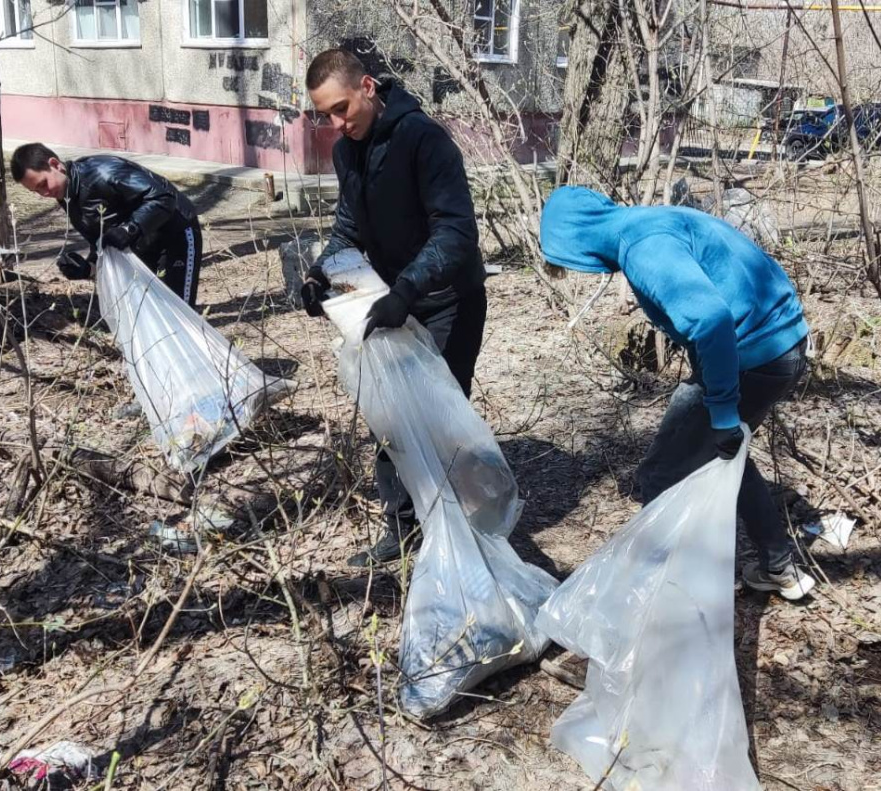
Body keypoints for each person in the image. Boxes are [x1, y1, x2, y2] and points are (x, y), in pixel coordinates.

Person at [539, 186, 815, 599]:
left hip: (753, 357)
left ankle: (668, 601)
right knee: (726, 453)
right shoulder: (651, 221)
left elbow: (711, 320)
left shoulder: (643, 246)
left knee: (661, 473)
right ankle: (778, 567)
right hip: (783, 346)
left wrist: (721, 410)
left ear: (576, 240)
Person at [302, 49, 487, 567]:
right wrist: (322, 275)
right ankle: (402, 529)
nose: (337, 124)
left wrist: (406, 289)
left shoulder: (422, 140)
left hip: (447, 299)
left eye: (341, 109)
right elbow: (348, 228)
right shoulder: (348, 153)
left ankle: (462, 528)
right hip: (389, 303)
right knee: (388, 417)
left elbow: (455, 231)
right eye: (325, 116)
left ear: (367, 87)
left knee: (438, 416)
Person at [10, 143, 203, 307]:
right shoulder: (67, 196)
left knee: (179, 311)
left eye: (43, 184)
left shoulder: (104, 171)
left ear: (55, 164)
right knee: (149, 309)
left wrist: (130, 228)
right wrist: (87, 268)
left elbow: (163, 198)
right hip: (143, 245)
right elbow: (101, 241)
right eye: (36, 191)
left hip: (176, 232)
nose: (44, 194)